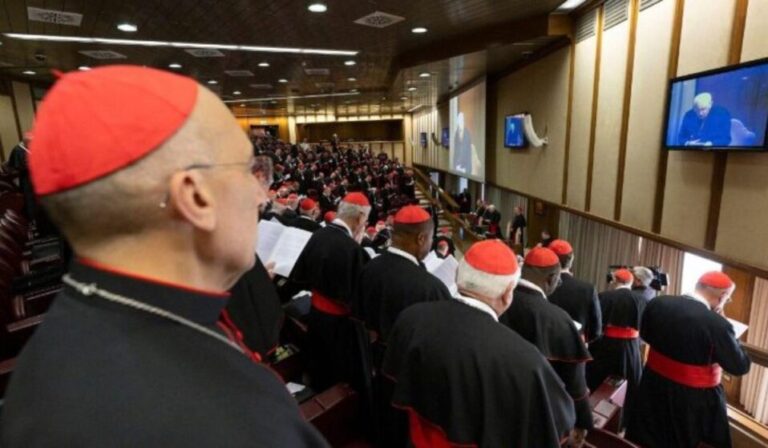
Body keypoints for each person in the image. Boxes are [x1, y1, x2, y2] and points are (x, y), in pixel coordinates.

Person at [0, 66, 327, 447]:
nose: (261, 196)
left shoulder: (87, 322)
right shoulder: (224, 421)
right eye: (250, 171)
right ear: (195, 196)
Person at [382, 241, 575, 447]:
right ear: (508, 293)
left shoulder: (410, 318)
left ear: (458, 276)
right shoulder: (527, 361)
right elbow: (558, 421)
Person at [626, 271, 751, 448]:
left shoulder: (658, 302)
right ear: (723, 296)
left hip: (652, 383)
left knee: (649, 434)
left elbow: (645, 334)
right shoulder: (717, 324)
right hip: (690, 399)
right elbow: (739, 366)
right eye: (727, 298)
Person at [500, 247, 593, 447]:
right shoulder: (559, 320)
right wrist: (583, 421)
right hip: (540, 415)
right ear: (551, 279)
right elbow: (575, 383)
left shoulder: (499, 301)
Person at [290, 192, 370, 390]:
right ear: (360, 217)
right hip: (339, 327)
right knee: (335, 378)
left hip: (315, 316)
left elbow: (302, 274)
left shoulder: (319, 234)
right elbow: (359, 299)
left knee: (317, 368)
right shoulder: (353, 250)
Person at [354, 205, 451, 344]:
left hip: (368, 353)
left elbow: (358, 317)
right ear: (421, 239)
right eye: (431, 238)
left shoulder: (368, 267)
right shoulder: (432, 289)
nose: (431, 243)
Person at [586, 269, 647, 429]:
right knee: (630, 383)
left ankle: (594, 418)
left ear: (615, 281)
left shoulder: (604, 296)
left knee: (599, 381)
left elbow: (594, 323)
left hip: (605, 345)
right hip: (631, 348)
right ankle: (623, 421)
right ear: (631, 282)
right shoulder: (641, 300)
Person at [547, 239, 602, 343]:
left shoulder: (542, 286)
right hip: (575, 345)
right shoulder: (588, 289)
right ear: (572, 259)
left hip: (545, 345)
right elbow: (596, 330)